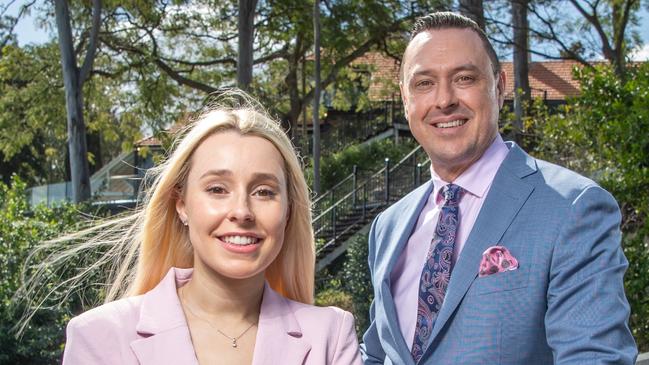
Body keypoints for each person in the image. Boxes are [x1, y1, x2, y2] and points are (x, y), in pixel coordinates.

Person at [360, 12, 637, 365]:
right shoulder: (388, 226)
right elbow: (378, 353)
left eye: (464, 78)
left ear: (500, 87)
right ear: (405, 98)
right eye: (424, 83)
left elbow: (594, 359)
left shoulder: (572, 207)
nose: (444, 100)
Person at [26, 93, 362, 364]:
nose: (242, 211)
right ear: (181, 204)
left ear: (288, 210)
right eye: (217, 189)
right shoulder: (99, 336)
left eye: (264, 192)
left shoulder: (330, 336)